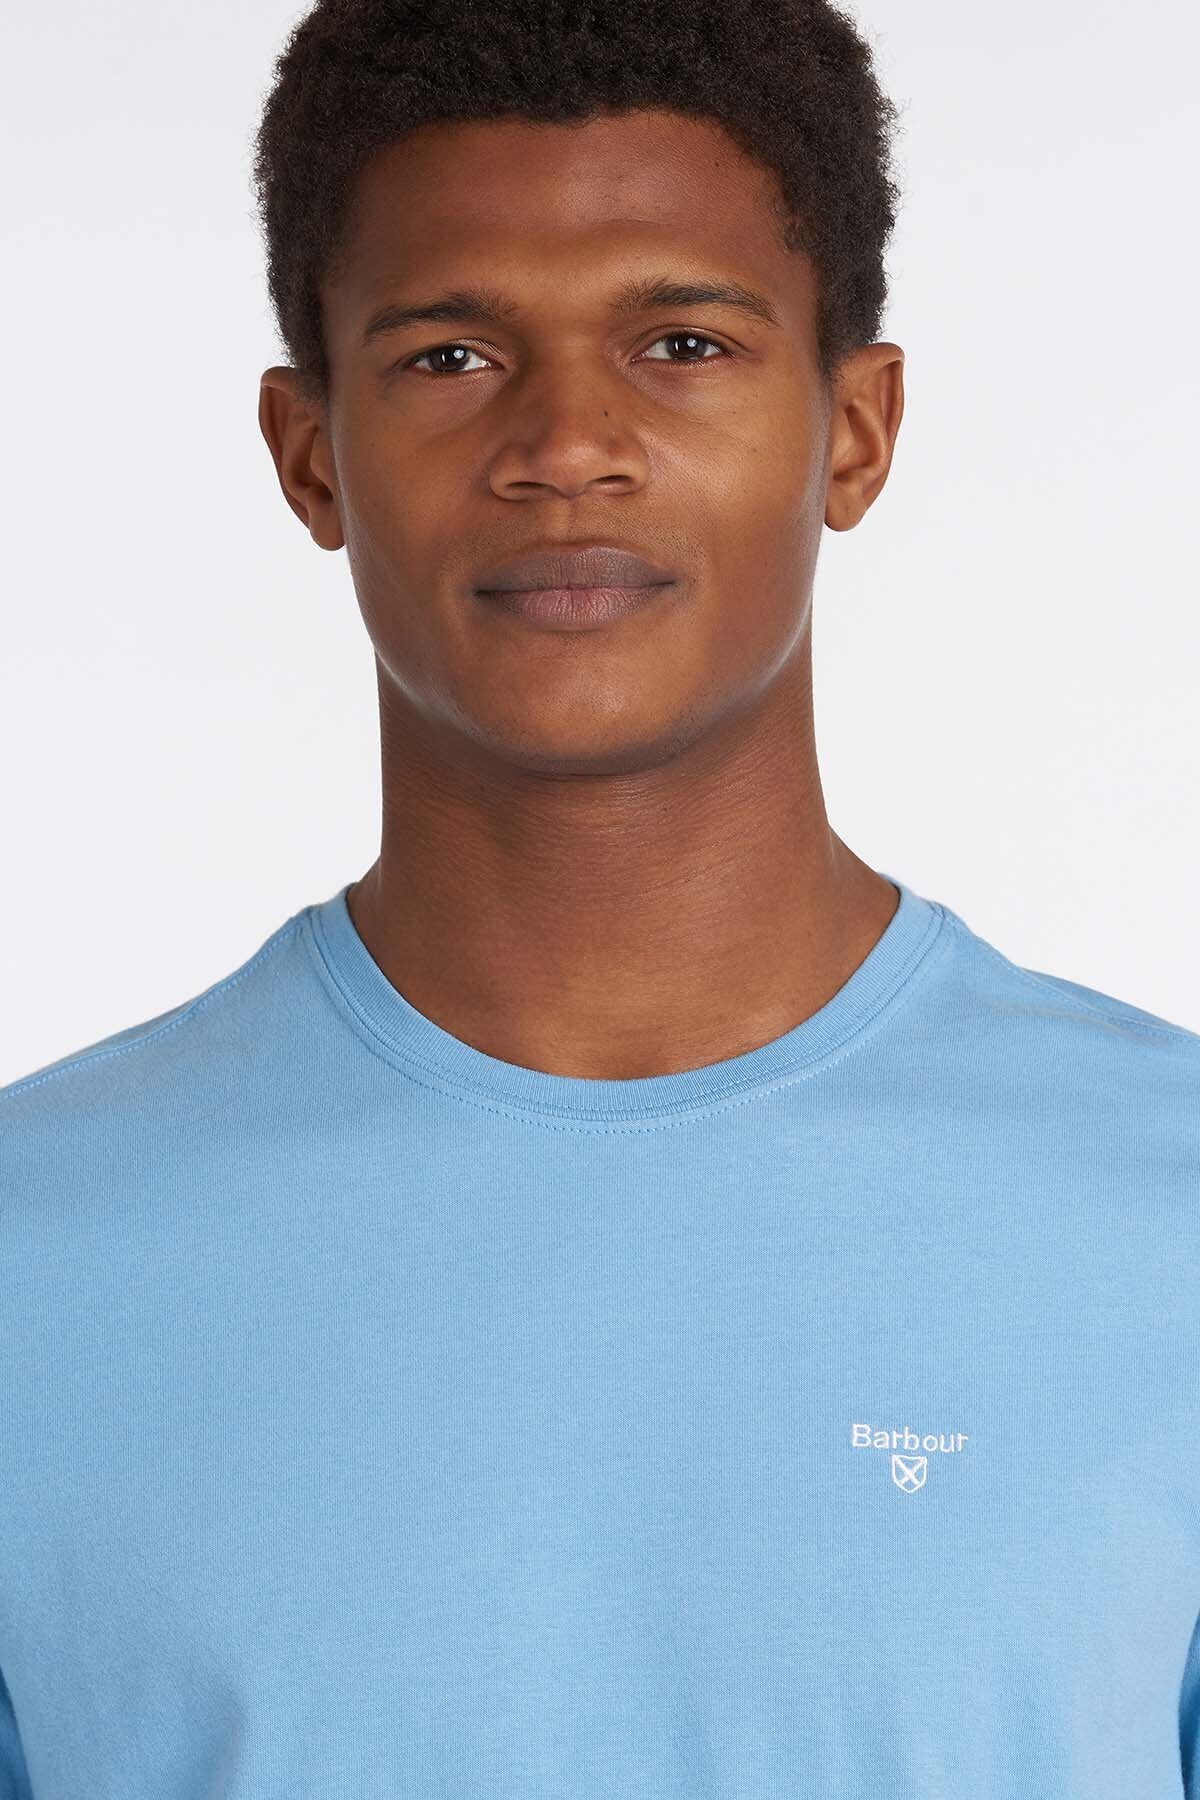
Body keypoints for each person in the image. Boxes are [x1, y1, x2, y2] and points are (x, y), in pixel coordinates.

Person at [2, 0, 1197, 1793]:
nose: (568, 443)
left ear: (855, 429)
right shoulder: (33, 1259)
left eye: (683, 343)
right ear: (310, 453)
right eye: (450, 357)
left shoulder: (1171, 1218)